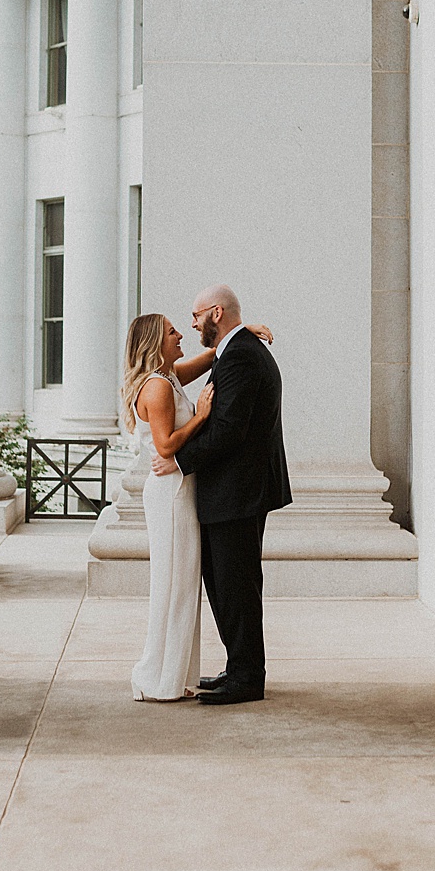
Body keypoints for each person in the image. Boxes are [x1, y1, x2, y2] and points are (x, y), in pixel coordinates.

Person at [121, 310, 272, 701]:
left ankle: (179, 673)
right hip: (170, 493)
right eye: (173, 331)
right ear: (156, 342)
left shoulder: (169, 376)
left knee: (186, 583)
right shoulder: (155, 387)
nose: (181, 334)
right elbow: (167, 445)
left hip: (182, 491)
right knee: (173, 584)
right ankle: (160, 675)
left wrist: (240, 332)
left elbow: (210, 356)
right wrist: (201, 416)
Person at [152, 284, 292, 705]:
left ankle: (247, 677)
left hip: (238, 491)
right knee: (229, 584)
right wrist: (241, 328)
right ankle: (238, 666)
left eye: (195, 317)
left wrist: (180, 461)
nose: (191, 325)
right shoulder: (237, 350)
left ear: (215, 313)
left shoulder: (243, 356)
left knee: (237, 586)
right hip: (235, 490)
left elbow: (229, 429)